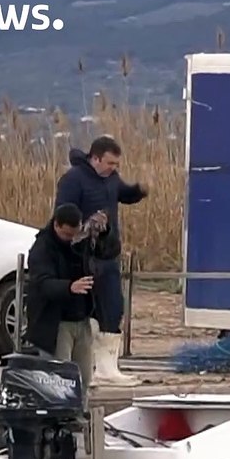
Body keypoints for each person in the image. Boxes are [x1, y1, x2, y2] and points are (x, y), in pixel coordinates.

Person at [53, 135, 148, 387]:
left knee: (113, 307)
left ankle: (108, 367)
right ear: (95, 158)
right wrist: (85, 229)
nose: (113, 169)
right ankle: (86, 368)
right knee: (86, 311)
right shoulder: (73, 180)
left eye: (117, 164)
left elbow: (122, 194)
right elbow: (62, 215)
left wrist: (138, 191)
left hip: (108, 255)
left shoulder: (112, 179)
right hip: (83, 257)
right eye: (110, 163)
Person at [24, 203, 98, 391]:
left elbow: (108, 252)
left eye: (74, 234)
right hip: (55, 324)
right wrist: (69, 287)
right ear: (56, 225)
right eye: (66, 235)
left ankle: (80, 415)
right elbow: (42, 284)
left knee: (84, 378)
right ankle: (59, 418)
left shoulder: (81, 242)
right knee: (58, 380)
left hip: (82, 320)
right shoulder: (42, 249)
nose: (70, 240)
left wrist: (105, 232)